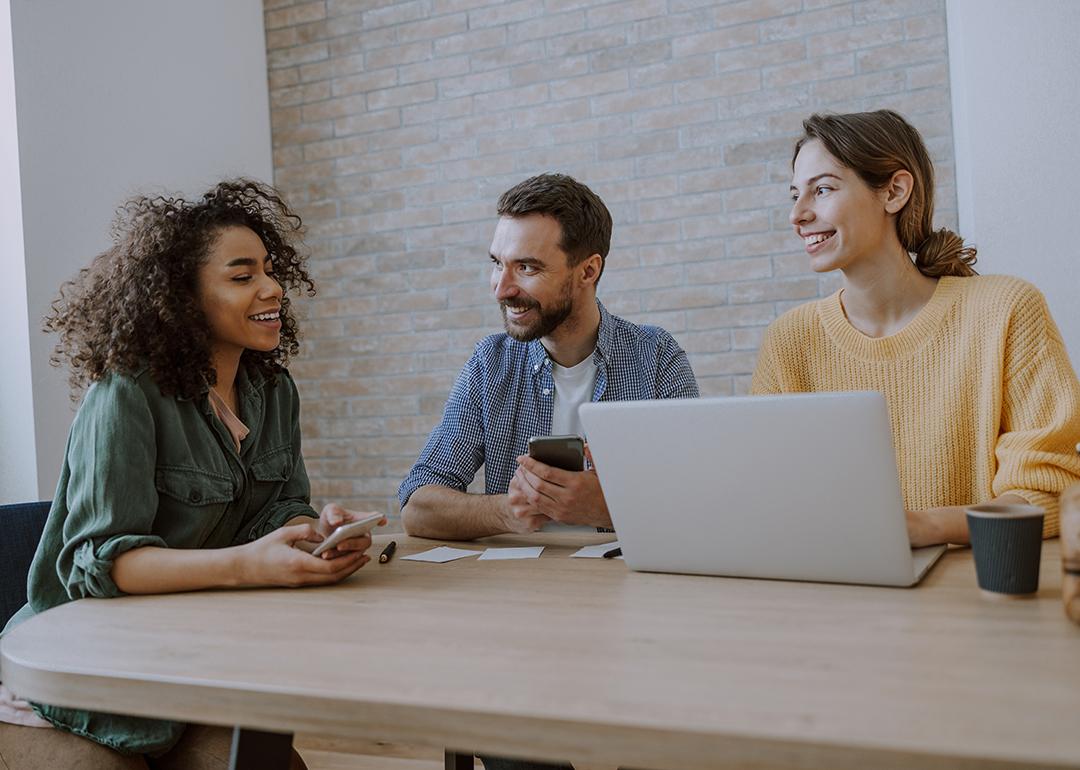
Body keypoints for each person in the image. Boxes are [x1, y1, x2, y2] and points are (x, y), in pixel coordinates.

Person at [0, 180, 381, 770]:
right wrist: (251, 564)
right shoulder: (125, 393)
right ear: (183, 298)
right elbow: (100, 563)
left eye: (270, 270)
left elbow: (280, 508)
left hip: (187, 663)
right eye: (242, 275)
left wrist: (316, 529)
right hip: (75, 676)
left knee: (259, 761)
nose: (271, 288)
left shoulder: (273, 391)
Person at [752, 110, 1080, 545]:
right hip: (839, 591)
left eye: (822, 190)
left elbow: (1046, 493)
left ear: (894, 191)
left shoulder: (1007, 312)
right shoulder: (788, 341)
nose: (798, 215)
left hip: (973, 594)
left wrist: (923, 528)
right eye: (794, 195)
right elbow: (770, 497)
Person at [400, 173, 699, 537]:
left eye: (526, 267)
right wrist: (503, 513)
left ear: (588, 270)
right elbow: (416, 508)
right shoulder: (490, 363)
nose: (501, 289)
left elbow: (697, 501)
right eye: (498, 263)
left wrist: (609, 508)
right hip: (524, 587)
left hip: (627, 581)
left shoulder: (656, 357)